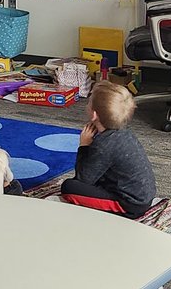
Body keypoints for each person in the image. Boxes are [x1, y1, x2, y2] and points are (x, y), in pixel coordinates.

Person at [60, 81, 156, 217]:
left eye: (88, 102)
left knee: (69, 187)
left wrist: (84, 146)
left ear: (94, 115)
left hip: (129, 205)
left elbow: (82, 179)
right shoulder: (125, 132)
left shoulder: (104, 144)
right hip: (142, 196)